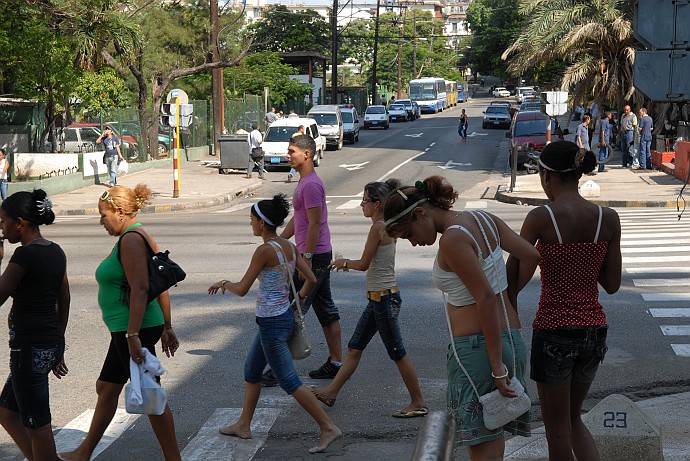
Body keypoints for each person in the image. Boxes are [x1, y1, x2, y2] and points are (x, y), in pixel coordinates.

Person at [383, 176, 539, 459]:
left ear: (421, 213)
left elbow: (485, 298)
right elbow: (529, 255)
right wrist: (510, 299)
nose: (414, 243)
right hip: (510, 340)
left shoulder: (453, 239)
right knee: (494, 431)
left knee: (481, 446)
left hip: (479, 352)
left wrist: (496, 366)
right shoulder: (482, 219)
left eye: (409, 234)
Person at [506, 141, 621, 461]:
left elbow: (511, 282)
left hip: (555, 332)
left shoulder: (541, 218)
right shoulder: (607, 218)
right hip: (594, 333)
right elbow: (612, 284)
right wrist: (588, 255)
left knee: (556, 431)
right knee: (574, 419)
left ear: (546, 176)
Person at [207, 194, 342, 454]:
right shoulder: (288, 246)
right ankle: (244, 424)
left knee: (289, 381)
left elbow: (243, 288)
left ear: (262, 223)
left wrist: (224, 283)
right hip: (281, 318)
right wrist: (297, 301)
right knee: (252, 371)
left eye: (252, 219)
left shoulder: (265, 250)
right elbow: (311, 278)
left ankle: (328, 427)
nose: (251, 224)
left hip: (272, 324)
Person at [59, 184, 181, 461]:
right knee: (107, 387)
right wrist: (167, 325)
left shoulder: (131, 240)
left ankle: (174, 458)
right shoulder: (137, 235)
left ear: (121, 211)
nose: (101, 221)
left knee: (151, 393)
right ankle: (84, 451)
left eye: (104, 215)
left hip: (132, 329)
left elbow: (140, 288)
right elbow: (160, 283)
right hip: (133, 328)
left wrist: (133, 335)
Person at [311, 180, 427, 418]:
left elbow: (363, 264)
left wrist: (343, 263)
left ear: (376, 204)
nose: (362, 205)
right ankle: (331, 392)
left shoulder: (378, 228)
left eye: (365, 200)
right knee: (354, 348)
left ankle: (418, 402)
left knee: (397, 352)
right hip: (379, 299)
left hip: (384, 299)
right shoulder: (388, 225)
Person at [0, 190, 69, 461]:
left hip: (28, 350)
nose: (3, 230)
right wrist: (58, 343)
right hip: (47, 343)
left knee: (38, 424)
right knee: (7, 411)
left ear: (21, 223)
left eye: (4, 222)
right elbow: (65, 298)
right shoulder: (55, 251)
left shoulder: (24, 256)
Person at [280, 134, 343, 379]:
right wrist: (280, 241)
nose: (288, 155)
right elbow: (300, 219)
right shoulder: (303, 182)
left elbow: (315, 224)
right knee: (325, 309)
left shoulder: (311, 185)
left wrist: (305, 256)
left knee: (293, 307)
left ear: (307, 154)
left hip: (314, 256)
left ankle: (279, 367)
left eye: (292, 151)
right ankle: (336, 363)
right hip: (313, 254)